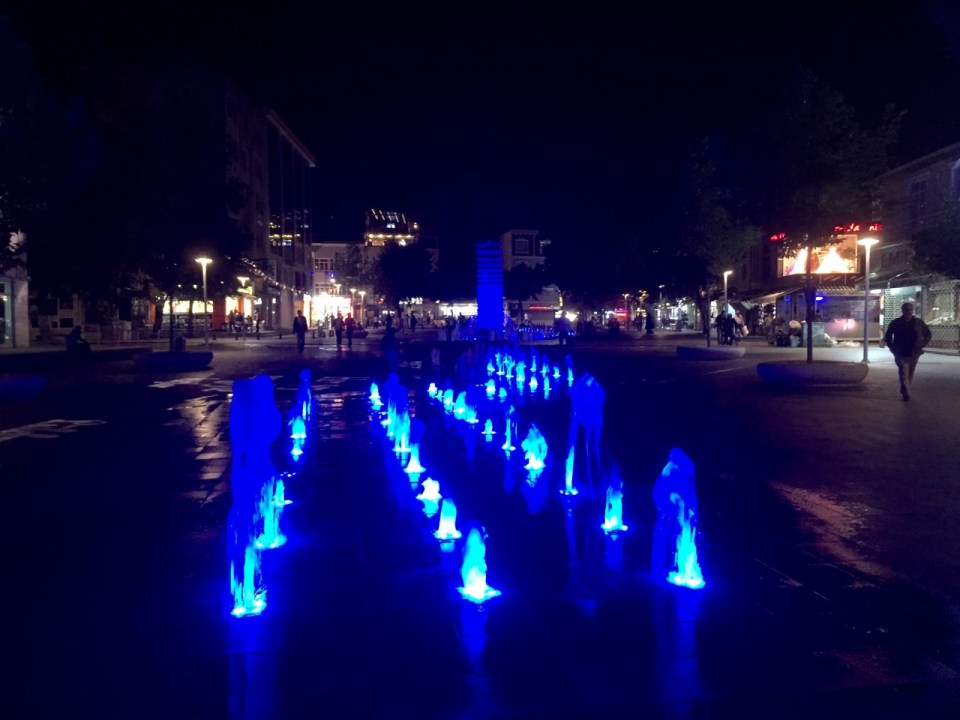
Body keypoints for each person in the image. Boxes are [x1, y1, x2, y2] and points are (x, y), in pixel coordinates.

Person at [883, 302, 932, 401]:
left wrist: (921, 345)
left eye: (911, 309)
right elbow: (888, 336)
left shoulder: (918, 323)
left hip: (914, 352)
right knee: (903, 372)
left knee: (910, 372)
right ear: (902, 311)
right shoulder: (896, 323)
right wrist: (893, 348)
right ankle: (906, 392)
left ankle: (905, 388)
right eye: (907, 309)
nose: (909, 311)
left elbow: (928, 334)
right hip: (901, 352)